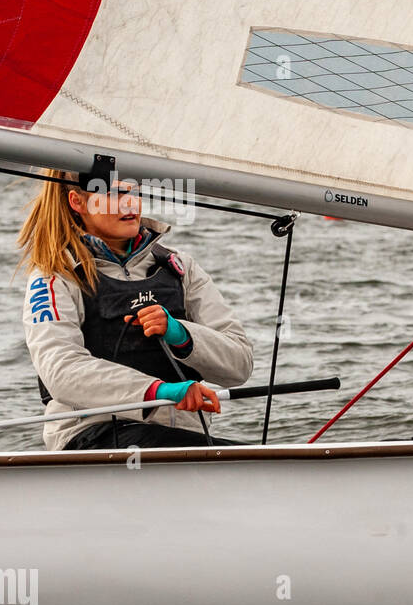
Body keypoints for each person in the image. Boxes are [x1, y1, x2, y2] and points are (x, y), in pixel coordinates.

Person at [18, 167, 253, 450]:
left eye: (133, 192)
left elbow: (239, 365)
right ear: (77, 202)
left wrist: (183, 335)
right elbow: (61, 371)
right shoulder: (53, 276)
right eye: (114, 194)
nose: (129, 203)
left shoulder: (181, 268)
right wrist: (156, 391)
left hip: (179, 438)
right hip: (91, 437)